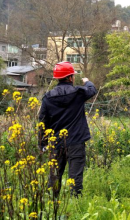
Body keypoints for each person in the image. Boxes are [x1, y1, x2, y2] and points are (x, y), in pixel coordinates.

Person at [38, 61, 97, 196]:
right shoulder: (78, 92)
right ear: (70, 78)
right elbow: (92, 90)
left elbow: (42, 122)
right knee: (75, 177)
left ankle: (51, 204)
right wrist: (87, 81)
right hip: (76, 142)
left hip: (56, 142)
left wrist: (42, 144)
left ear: (57, 78)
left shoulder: (47, 98)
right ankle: (75, 205)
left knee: (54, 176)